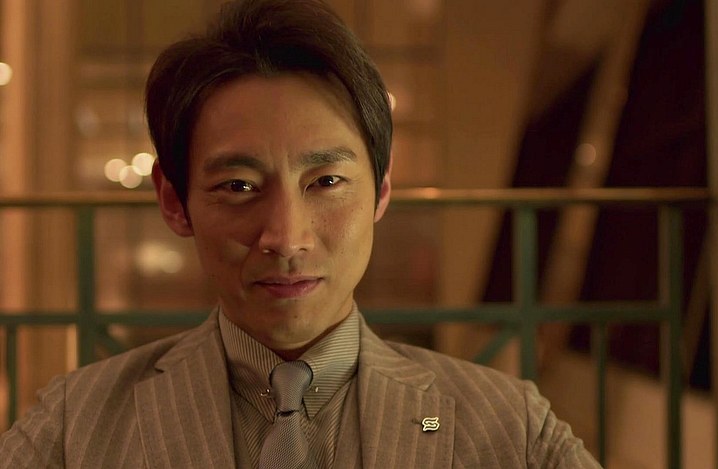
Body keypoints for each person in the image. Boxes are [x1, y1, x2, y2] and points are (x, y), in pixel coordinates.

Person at [0, 0, 601, 467]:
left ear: (381, 190)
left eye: (327, 181)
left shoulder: (507, 428)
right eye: (239, 185)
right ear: (174, 201)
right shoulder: (76, 428)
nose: (286, 238)